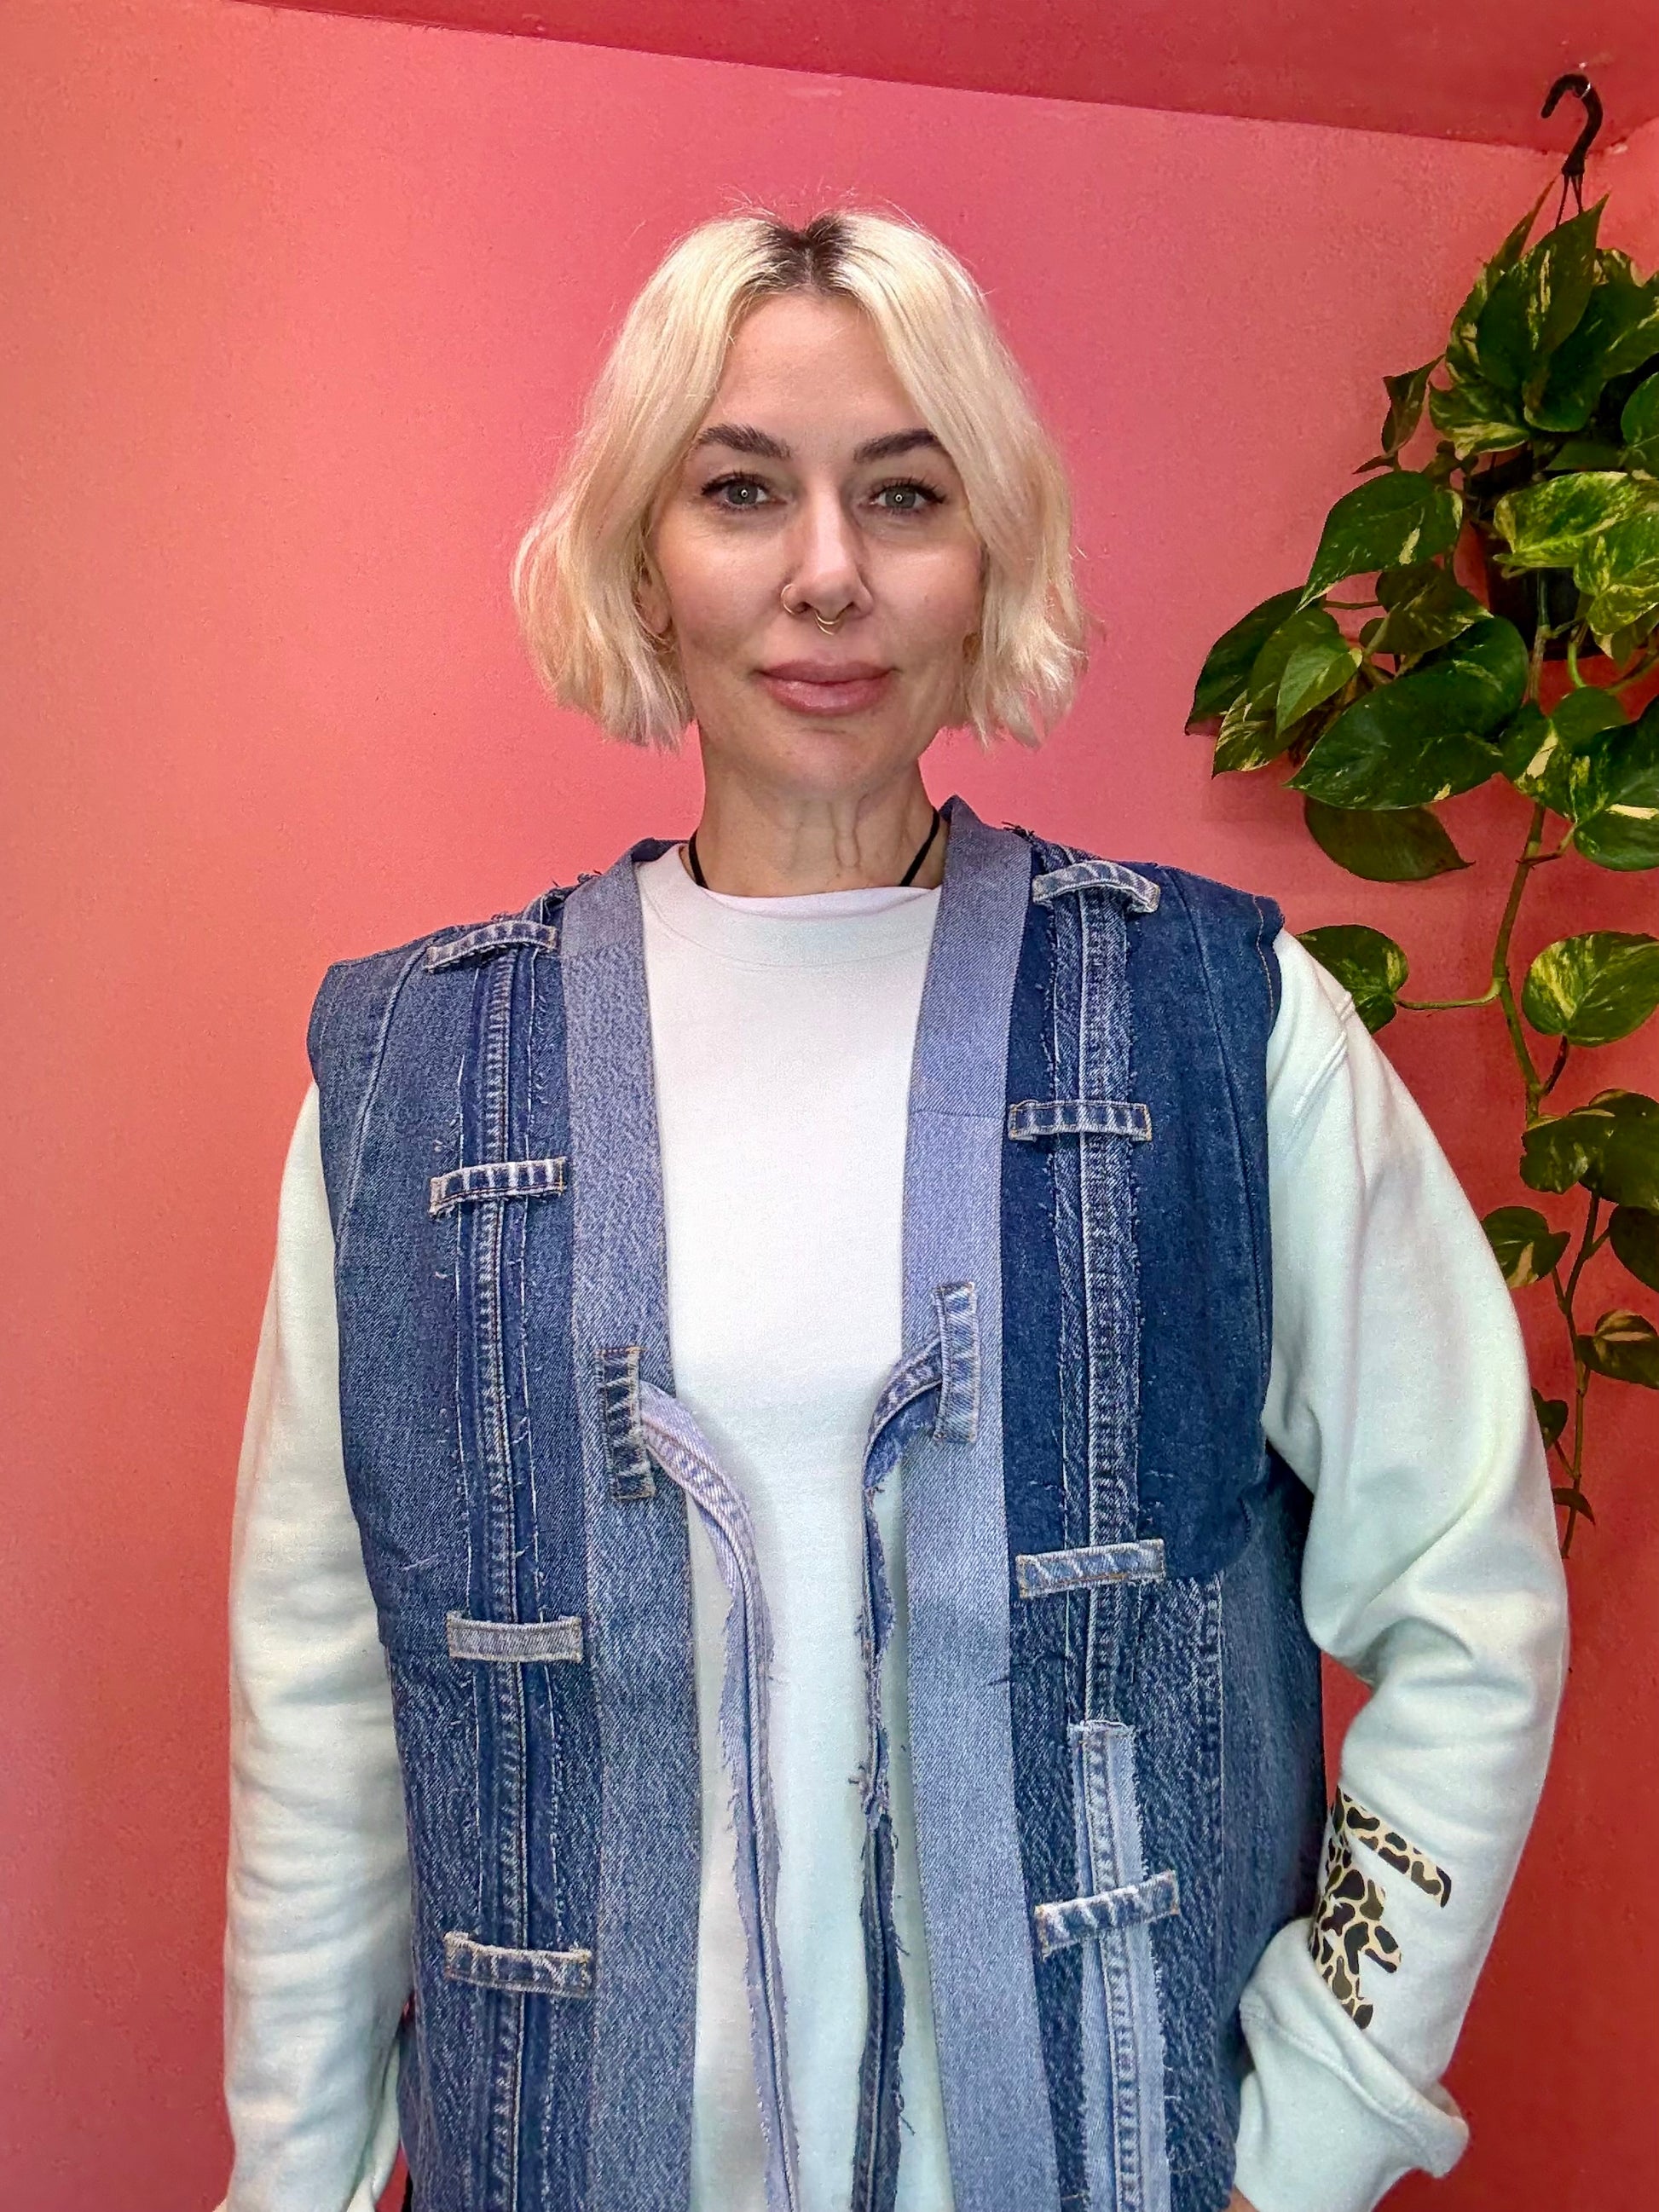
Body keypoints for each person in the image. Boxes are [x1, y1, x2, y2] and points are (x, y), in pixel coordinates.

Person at [218, 206, 1569, 2212]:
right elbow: (320, 1694)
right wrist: (296, 2175)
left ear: (986, 556)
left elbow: (1467, 1594)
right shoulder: (417, 1072)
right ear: (642, 556)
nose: (827, 570)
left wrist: (1317, 2123)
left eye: (905, 492)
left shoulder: (1219, 1021)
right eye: (741, 488)